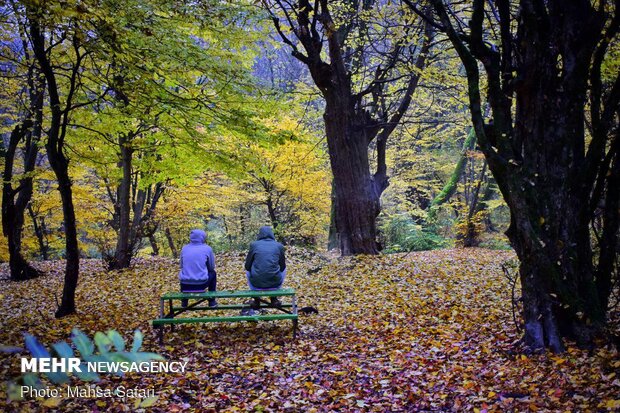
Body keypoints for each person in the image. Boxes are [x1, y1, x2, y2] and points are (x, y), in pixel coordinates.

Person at [243, 226, 286, 313]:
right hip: (274, 282)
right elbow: (282, 266)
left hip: (256, 283)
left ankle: (256, 300)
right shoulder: (279, 246)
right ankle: (274, 298)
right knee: (285, 269)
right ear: (272, 234)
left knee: (248, 270)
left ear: (260, 234)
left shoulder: (254, 245)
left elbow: (247, 266)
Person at [179, 229, 217, 308]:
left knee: (183, 273)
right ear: (202, 237)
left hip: (185, 284)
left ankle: (184, 302)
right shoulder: (207, 249)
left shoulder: (184, 248)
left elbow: (181, 266)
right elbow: (211, 267)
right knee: (213, 273)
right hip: (201, 283)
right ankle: (212, 301)